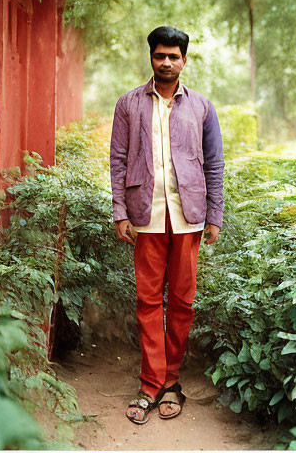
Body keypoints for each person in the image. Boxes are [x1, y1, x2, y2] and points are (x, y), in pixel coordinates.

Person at [109, 25, 224, 425]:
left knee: (182, 303)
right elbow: (118, 161)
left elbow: (214, 164)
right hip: (146, 216)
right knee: (147, 302)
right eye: (160, 55)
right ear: (151, 58)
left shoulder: (202, 107)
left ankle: (171, 380)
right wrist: (120, 211)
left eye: (174, 56)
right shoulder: (128, 104)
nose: (166, 62)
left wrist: (215, 215)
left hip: (189, 216)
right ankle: (150, 383)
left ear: (184, 61)